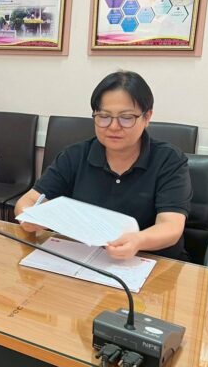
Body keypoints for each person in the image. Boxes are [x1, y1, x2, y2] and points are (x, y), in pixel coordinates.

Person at [15, 71, 192, 261]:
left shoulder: (168, 160)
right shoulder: (74, 156)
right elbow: (28, 201)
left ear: (147, 117)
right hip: (84, 259)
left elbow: (171, 226)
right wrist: (29, 217)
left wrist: (138, 240)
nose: (113, 126)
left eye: (126, 117)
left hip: (151, 261)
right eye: (104, 116)